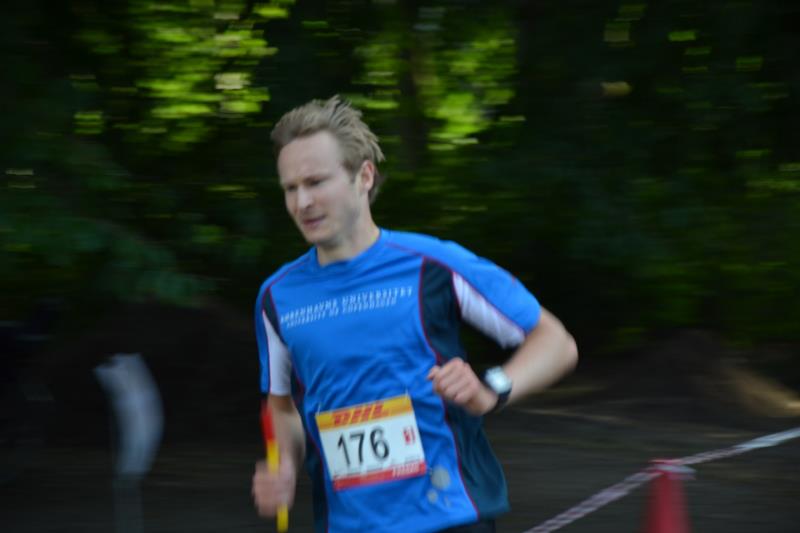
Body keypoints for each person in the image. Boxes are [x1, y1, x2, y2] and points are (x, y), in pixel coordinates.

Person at [252, 96, 578, 533]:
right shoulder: (277, 297)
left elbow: (555, 342)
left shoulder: (433, 265)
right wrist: (284, 464)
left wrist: (490, 388)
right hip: (349, 524)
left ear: (364, 176)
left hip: (450, 516)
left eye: (315, 182)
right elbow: (282, 407)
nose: (302, 201)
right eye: (290, 188)